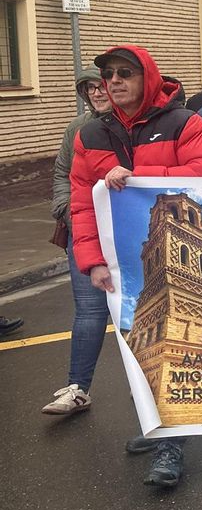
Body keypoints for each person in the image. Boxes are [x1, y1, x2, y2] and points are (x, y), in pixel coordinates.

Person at [67, 44, 202, 488]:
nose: (114, 82)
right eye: (109, 75)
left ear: (147, 77)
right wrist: (93, 261)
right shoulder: (90, 134)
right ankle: (156, 426)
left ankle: (171, 443)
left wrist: (137, 180)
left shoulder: (183, 122)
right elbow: (82, 202)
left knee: (175, 349)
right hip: (127, 259)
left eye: (125, 73)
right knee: (140, 353)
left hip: (171, 255)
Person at [42, 66, 113, 416]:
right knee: (89, 312)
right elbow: (62, 172)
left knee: (143, 311)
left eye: (102, 86)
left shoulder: (137, 126)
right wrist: (67, 210)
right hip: (84, 232)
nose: (96, 93)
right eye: (89, 88)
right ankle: (78, 388)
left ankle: (150, 390)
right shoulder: (78, 127)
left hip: (129, 232)